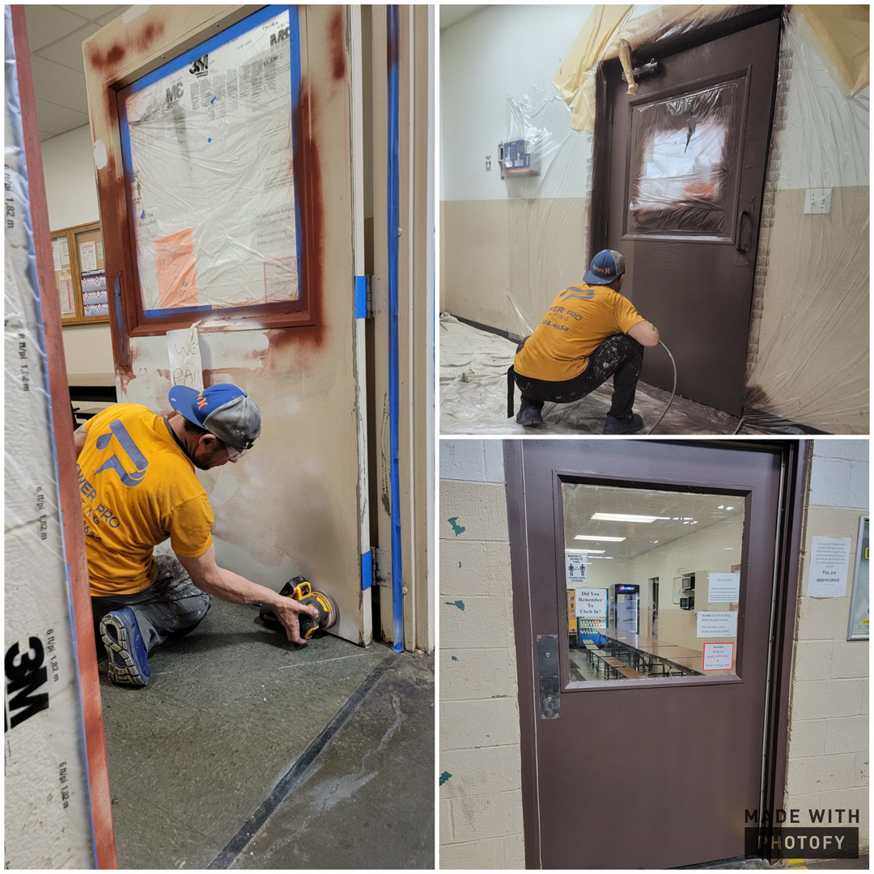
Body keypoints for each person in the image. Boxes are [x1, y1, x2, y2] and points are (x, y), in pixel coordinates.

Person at [74, 383, 318, 687]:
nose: (229, 462)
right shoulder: (186, 496)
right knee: (194, 597)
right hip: (105, 593)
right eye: (231, 454)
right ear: (206, 441)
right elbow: (209, 578)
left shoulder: (123, 412)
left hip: (65, 568)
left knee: (164, 562)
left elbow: (67, 453)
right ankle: (137, 624)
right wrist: (275, 600)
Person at [507, 249, 659, 434]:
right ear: (621, 278)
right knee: (632, 343)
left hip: (524, 379)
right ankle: (620, 418)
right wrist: (648, 326)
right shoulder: (615, 301)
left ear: (591, 273)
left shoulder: (567, 291)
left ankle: (529, 407)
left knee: (529, 342)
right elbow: (649, 339)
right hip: (564, 386)